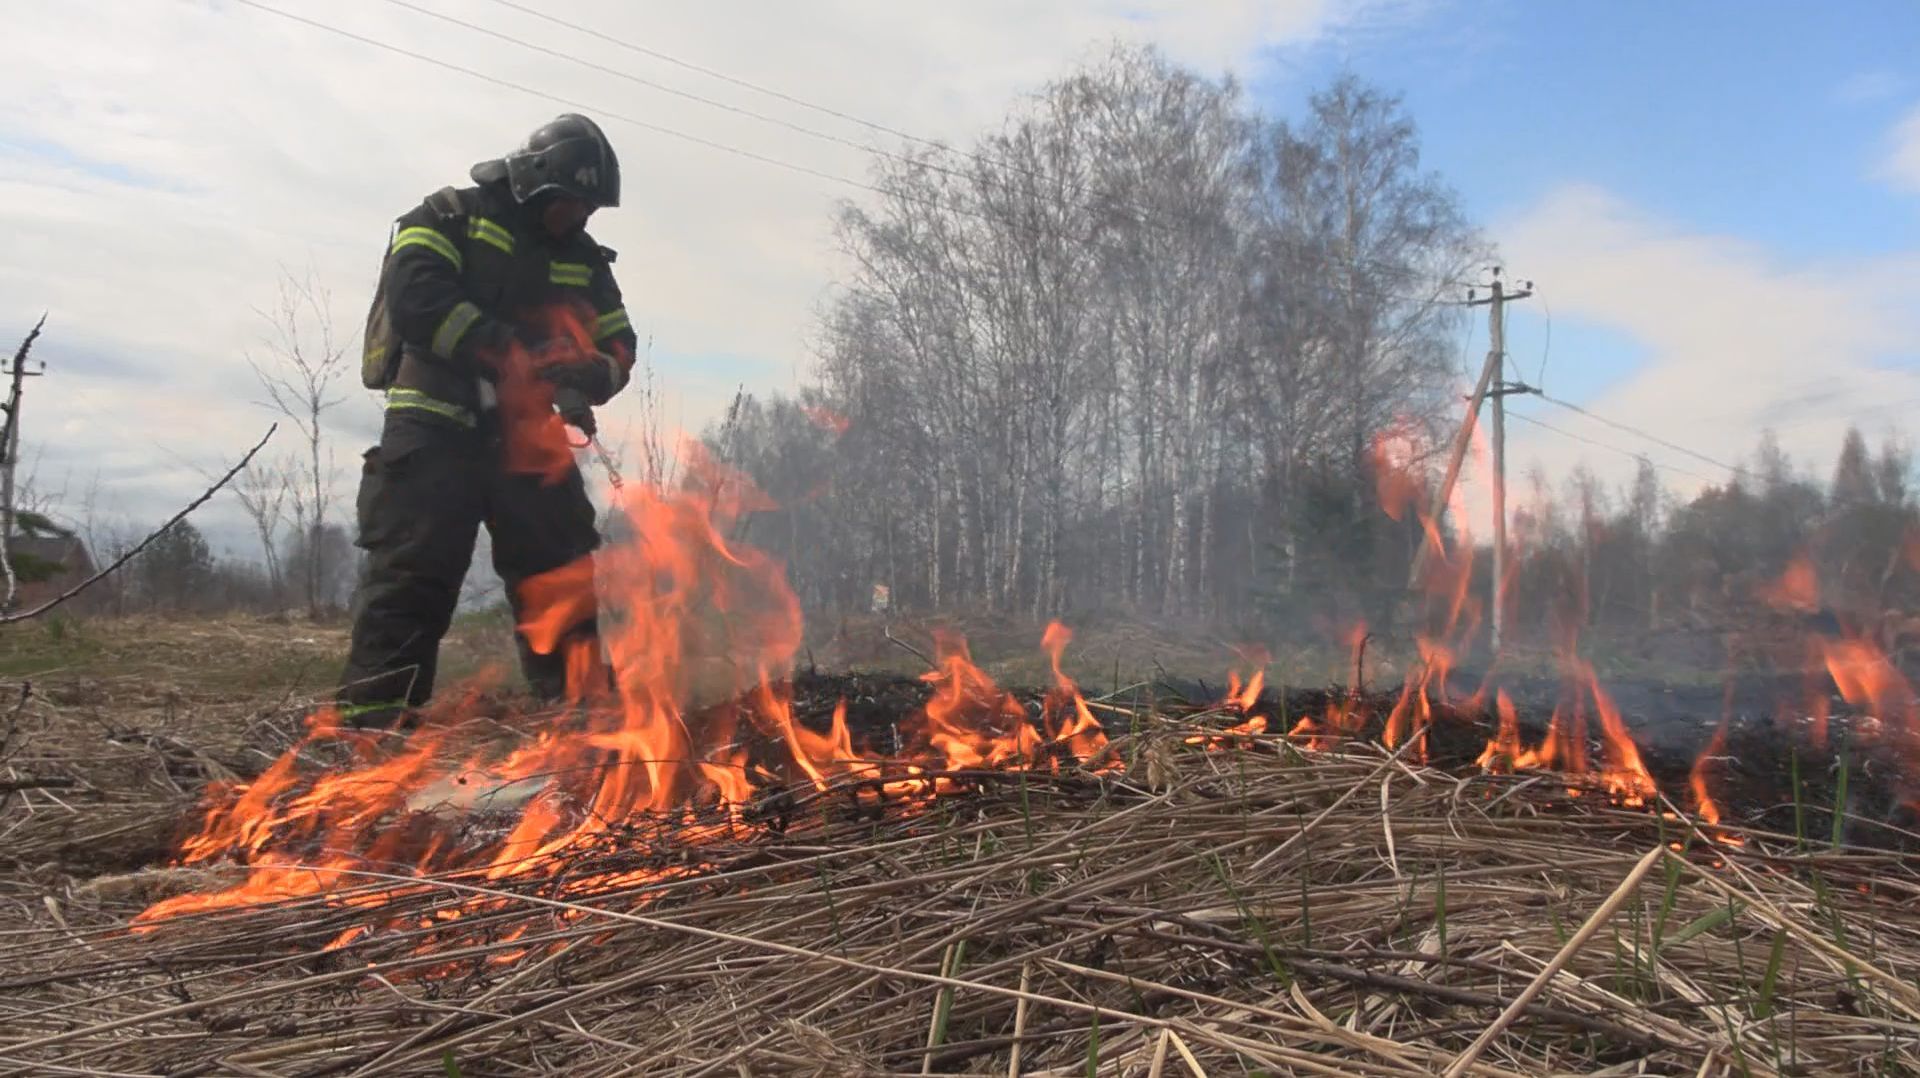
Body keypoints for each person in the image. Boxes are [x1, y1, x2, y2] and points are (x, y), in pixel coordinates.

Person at [336, 113, 637, 727]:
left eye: (589, 208)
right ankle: (372, 730)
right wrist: (512, 353)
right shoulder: (447, 218)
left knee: (562, 571)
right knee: (413, 575)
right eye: (573, 203)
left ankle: (580, 720)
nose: (580, 218)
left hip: (527, 437)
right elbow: (418, 302)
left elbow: (619, 342)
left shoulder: (582, 258)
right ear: (536, 181)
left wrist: (588, 373)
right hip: (434, 428)